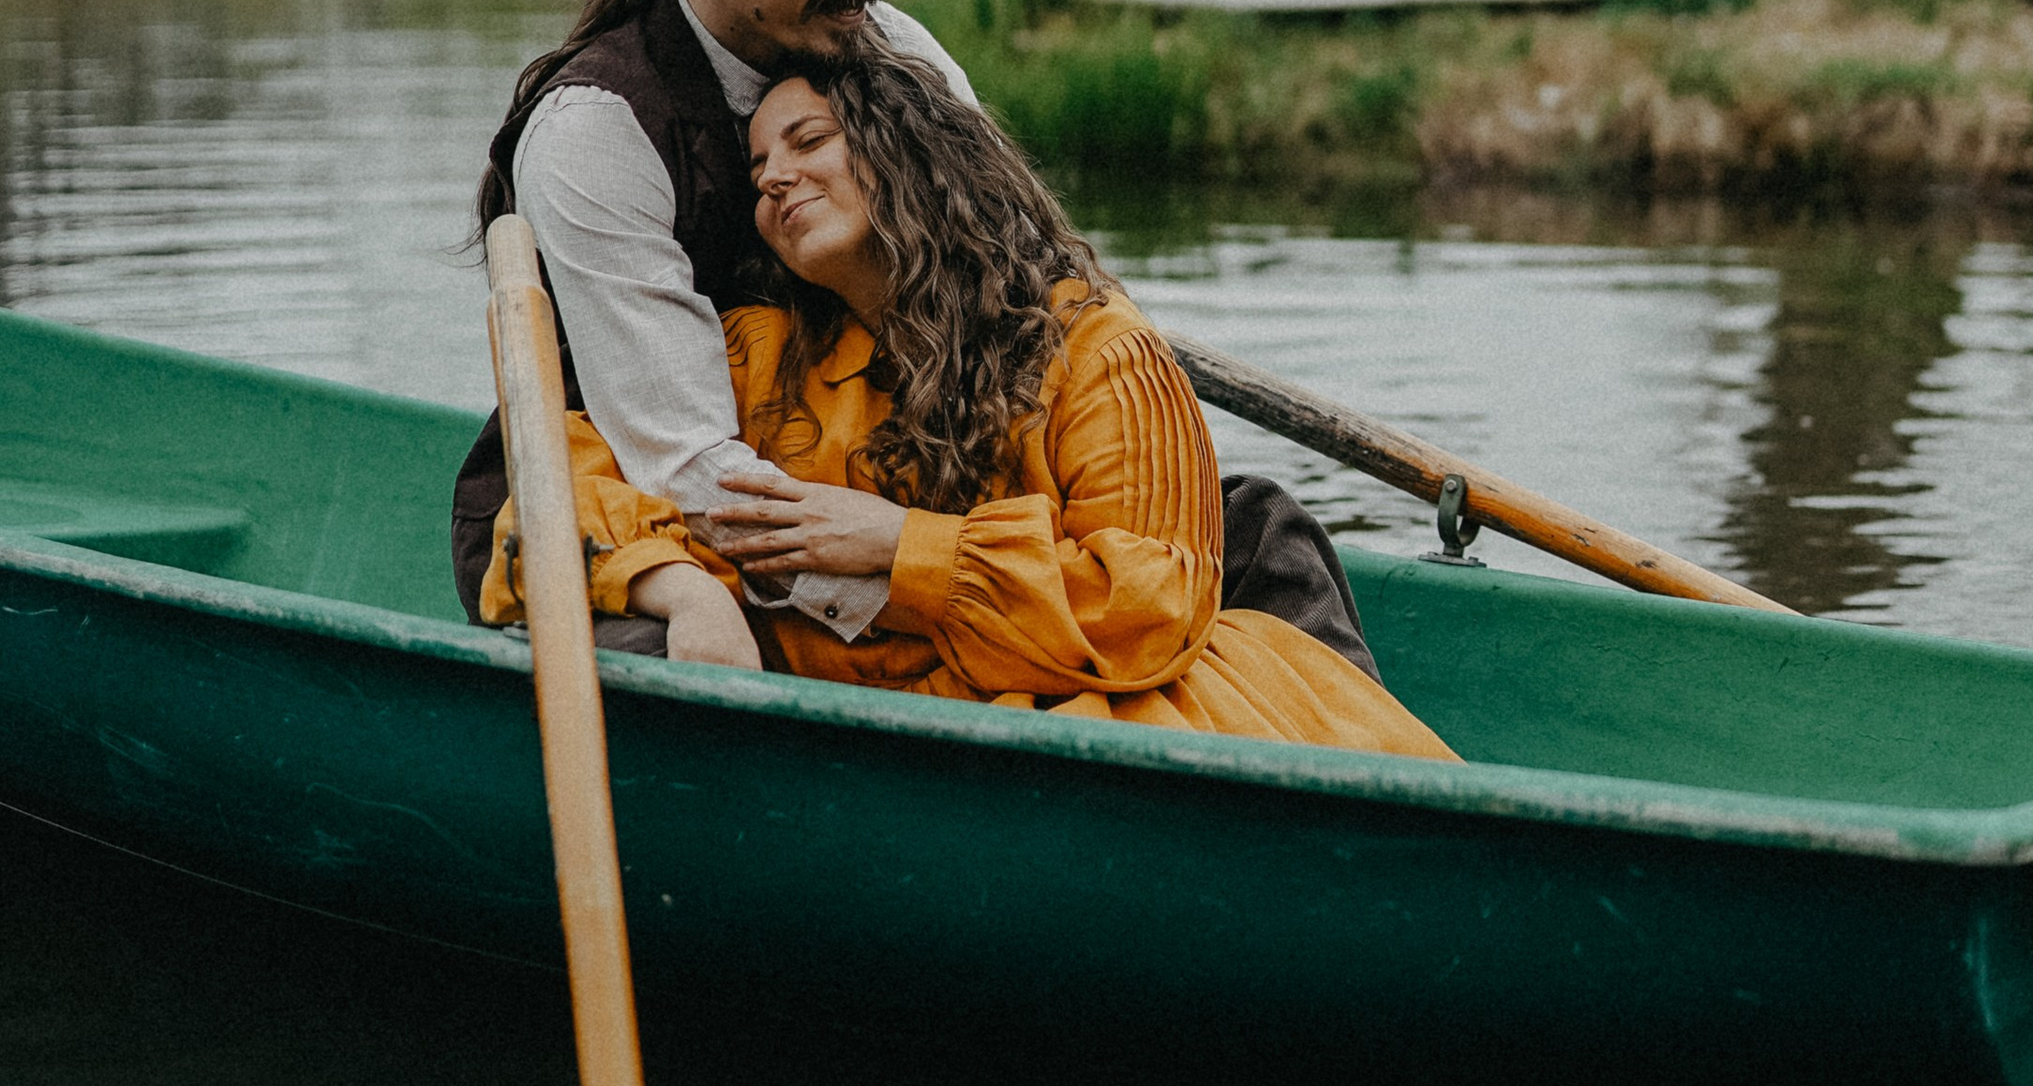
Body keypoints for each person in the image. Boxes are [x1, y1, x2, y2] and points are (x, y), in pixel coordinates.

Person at [452, 0, 1378, 678]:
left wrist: (970, 541)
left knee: (1242, 527)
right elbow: (688, 464)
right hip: (653, 517)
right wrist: (912, 589)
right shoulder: (595, 131)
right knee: (672, 655)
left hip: (905, 475)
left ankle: (1363, 784)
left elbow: (1018, 281)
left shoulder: (892, 47)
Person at [481, 40, 1455, 761]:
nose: (773, 175)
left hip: (1070, 724)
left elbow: (1149, 607)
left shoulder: (1094, 349)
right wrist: (686, 591)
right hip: (858, 738)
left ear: (908, 154)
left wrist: (901, 549)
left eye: (807, 139)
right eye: (757, 168)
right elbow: (558, 475)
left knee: (1255, 525)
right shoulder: (759, 354)